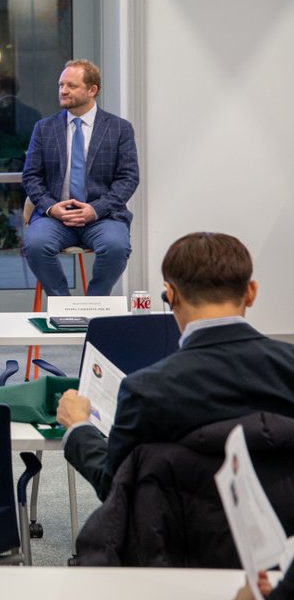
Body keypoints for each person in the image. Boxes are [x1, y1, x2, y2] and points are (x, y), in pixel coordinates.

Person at [56, 232, 294, 502]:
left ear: (171, 295)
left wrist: (78, 427)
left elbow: (117, 489)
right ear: (251, 292)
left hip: (183, 540)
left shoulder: (146, 390)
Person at [21, 59, 138, 297]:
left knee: (116, 246)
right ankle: (64, 304)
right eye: (61, 85)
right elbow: (31, 176)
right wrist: (52, 208)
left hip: (102, 216)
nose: (63, 90)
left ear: (92, 90)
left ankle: (94, 305)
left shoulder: (119, 129)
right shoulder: (44, 128)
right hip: (54, 218)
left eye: (71, 86)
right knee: (35, 245)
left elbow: (128, 178)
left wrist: (95, 209)